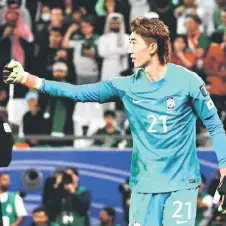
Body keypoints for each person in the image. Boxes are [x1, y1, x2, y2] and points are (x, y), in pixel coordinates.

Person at [3, 17, 226, 226]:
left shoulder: (187, 81)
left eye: (133, 42)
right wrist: (28, 79)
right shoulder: (125, 86)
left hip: (181, 184)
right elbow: (77, 92)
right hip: (144, 186)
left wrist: (225, 169)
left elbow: (215, 125)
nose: (129, 50)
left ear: (152, 47)